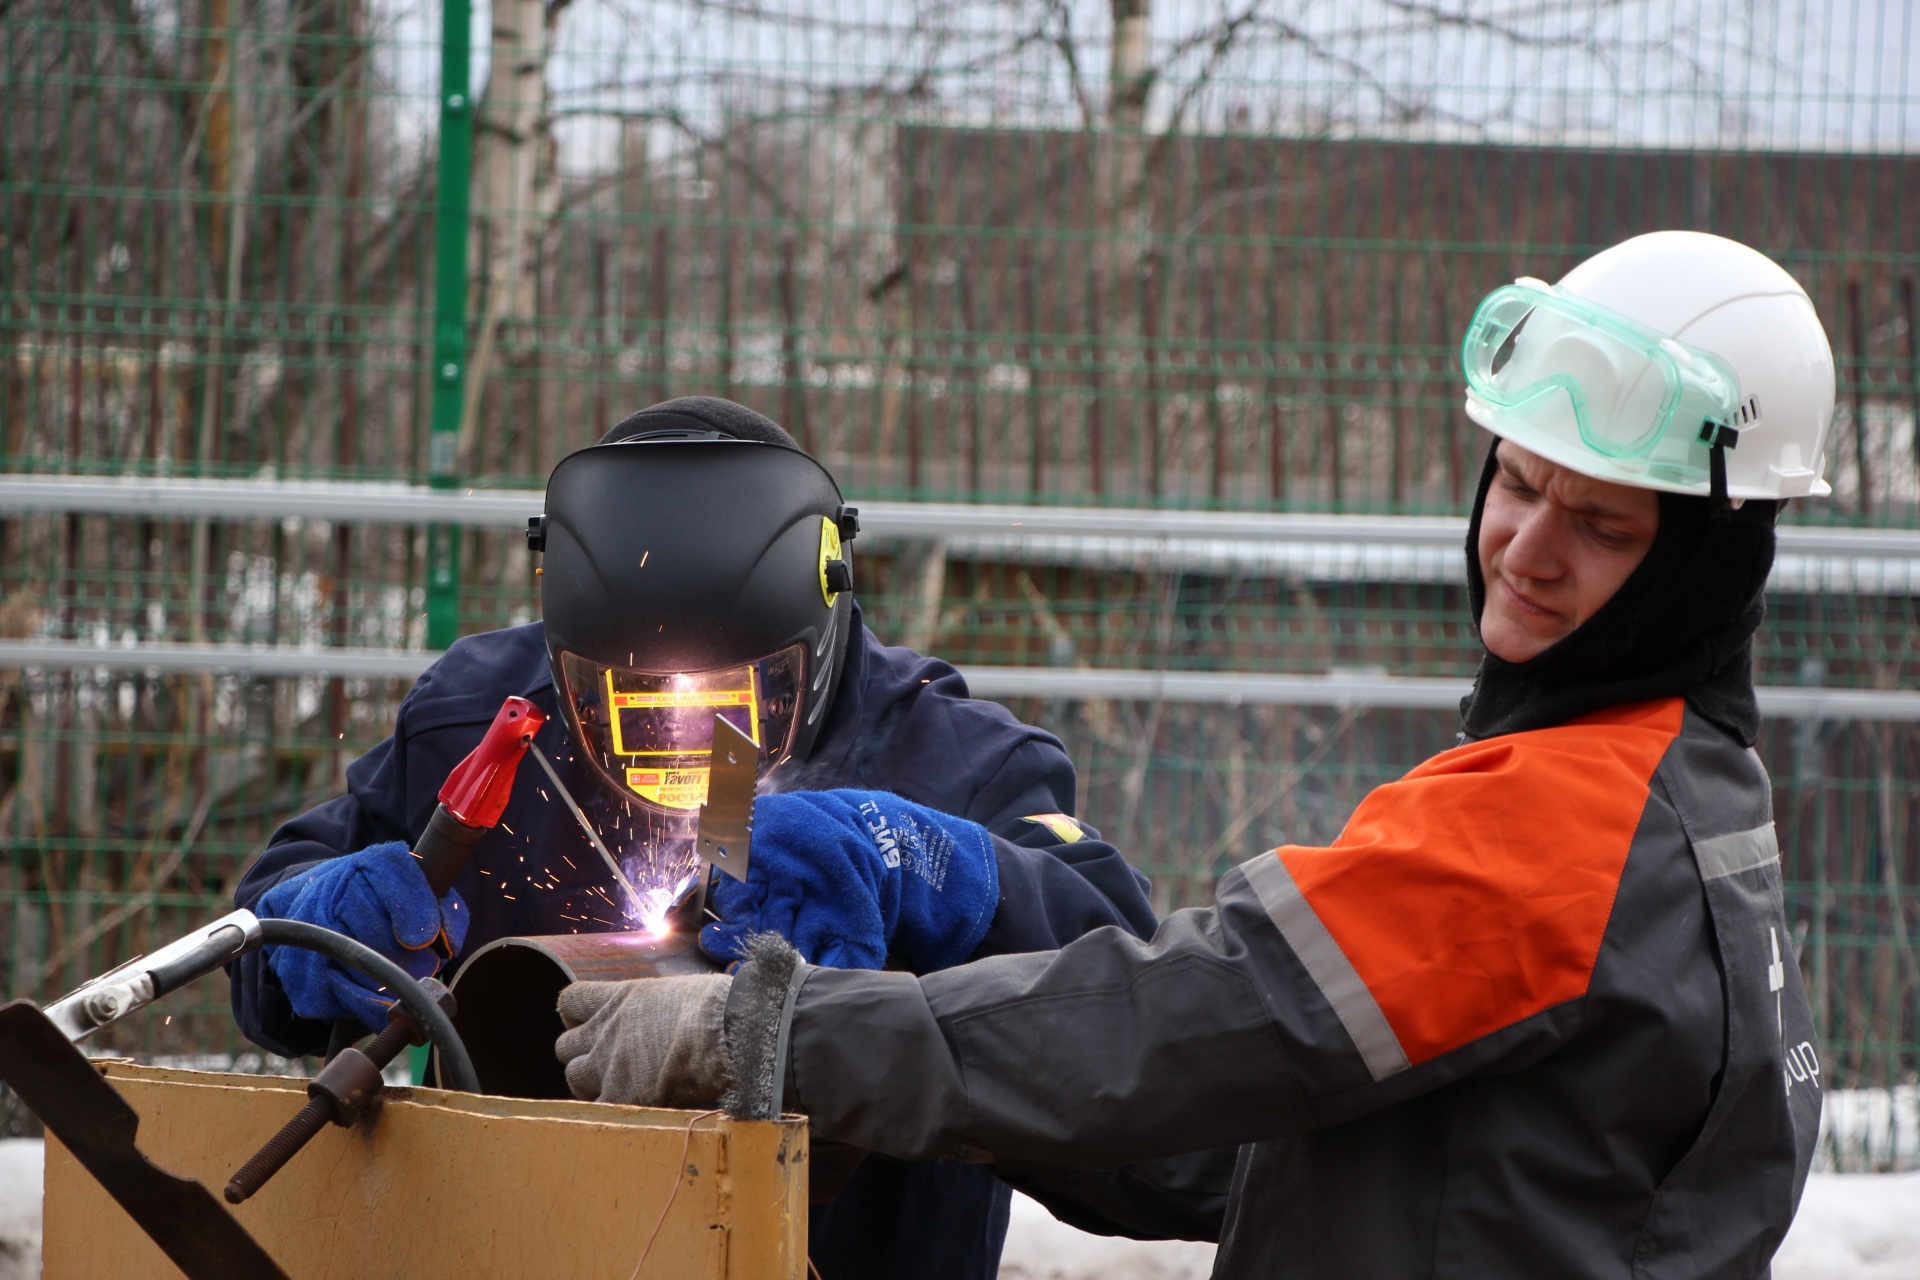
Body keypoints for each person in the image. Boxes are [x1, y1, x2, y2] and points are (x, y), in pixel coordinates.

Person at [551, 232, 1834, 1278]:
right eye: (1515, 480)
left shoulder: (1565, 822)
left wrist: (774, 1029)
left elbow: (1197, 1020)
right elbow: (1254, 1136)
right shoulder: (1700, 788)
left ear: (1706, 562)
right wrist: (936, 998)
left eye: (1601, 523)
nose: (1528, 547)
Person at [228, 396, 1158, 1280]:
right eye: (634, 701)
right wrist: (304, 926)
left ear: (819, 625)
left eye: (729, 698)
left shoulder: (957, 758)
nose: (685, 736)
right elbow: (267, 939)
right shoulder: (477, 714)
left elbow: (1134, 996)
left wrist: (933, 866)